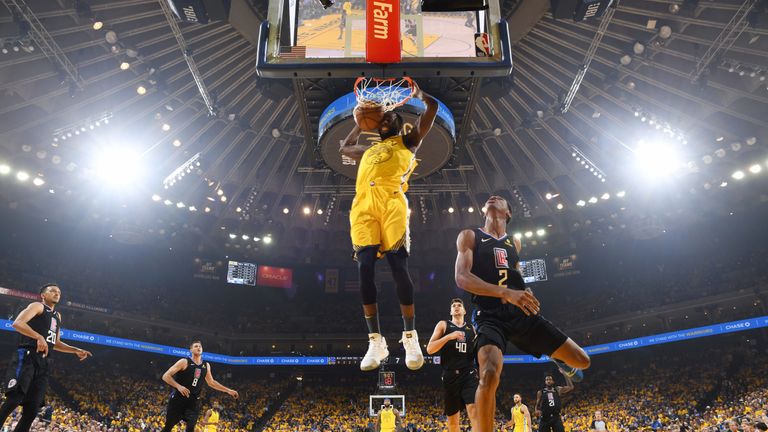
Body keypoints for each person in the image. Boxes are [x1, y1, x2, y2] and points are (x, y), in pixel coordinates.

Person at [454, 195, 590, 432]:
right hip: (489, 315)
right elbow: (462, 278)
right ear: (484, 210)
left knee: (582, 361)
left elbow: (514, 274)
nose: (493, 197)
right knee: (488, 374)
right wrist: (504, 293)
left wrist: (524, 290)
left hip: (519, 312)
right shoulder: (470, 236)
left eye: (501, 198)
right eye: (489, 198)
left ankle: (560, 361)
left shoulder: (514, 243)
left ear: (508, 213)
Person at [340, 80, 438, 371]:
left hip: (392, 203)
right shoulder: (369, 151)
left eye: (388, 117)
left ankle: (410, 336)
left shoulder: (409, 141)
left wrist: (419, 94)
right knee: (365, 268)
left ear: (399, 123)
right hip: (362, 208)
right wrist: (359, 122)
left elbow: (431, 108)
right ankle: (376, 341)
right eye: (380, 119)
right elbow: (345, 147)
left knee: (398, 267)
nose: (383, 120)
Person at [0, 284, 92, 432]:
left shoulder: (58, 316)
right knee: (14, 399)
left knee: (32, 408)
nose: (57, 293)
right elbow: (17, 323)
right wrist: (38, 337)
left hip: (44, 363)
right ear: (43, 295)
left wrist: (76, 350)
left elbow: (55, 343)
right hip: (28, 356)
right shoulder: (37, 306)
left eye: (59, 292)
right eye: (53, 291)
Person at [160, 341, 238, 432]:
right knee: (168, 427)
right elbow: (165, 376)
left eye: (200, 346)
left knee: (190, 428)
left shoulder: (206, 365)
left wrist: (228, 390)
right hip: (178, 400)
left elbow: (211, 382)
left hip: (193, 402)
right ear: (191, 350)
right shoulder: (184, 362)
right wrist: (178, 386)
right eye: (196, 346)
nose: (198, 348)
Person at [426, 298, 478, 432]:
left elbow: (478, 352)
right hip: (450, 376)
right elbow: (430, 349)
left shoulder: (472, 328)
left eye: (459, 305)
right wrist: (449, 336)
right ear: (450, 311)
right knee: (453, 421)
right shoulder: (443, 325)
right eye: (453, 306)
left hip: (469, 375)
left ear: (464, 310)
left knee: (474, 412)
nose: (456, 307)